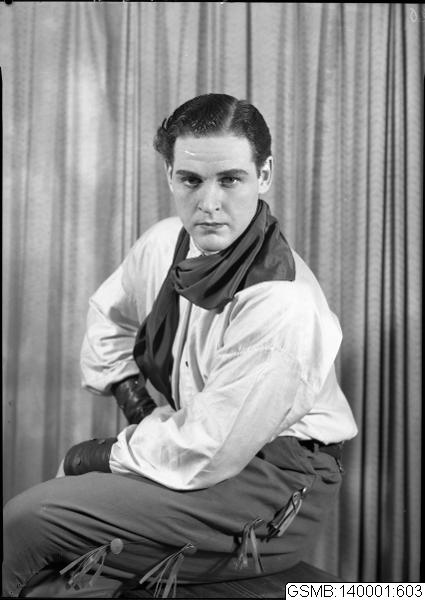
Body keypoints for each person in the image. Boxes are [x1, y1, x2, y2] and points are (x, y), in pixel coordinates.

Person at [3, 93, 357, 598]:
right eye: (191, 180)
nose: (209, 203)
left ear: (264, 176)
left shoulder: (282, 302)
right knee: (61, 579)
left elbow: (209, 448)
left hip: (274, 477)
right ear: (170, 175)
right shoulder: (165, 242)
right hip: (195, 448)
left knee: (28, 519)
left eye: (230, 180)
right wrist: (139, 408)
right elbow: (108, 319)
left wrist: (101, 454)